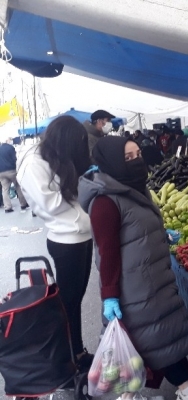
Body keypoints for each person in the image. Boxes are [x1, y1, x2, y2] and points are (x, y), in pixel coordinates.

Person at [78, 137, 188, 400]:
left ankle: (173, 390)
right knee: (145, 340)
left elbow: (135, 228)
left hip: (153, 279)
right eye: (128, 157)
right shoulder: (104, 202)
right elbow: (107, 252)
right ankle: (174, 391)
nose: (136, 161)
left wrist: (160, 234)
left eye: (138, 154)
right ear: (113, 162)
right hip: (134, 287)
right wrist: (109, 295)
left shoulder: (133, 187)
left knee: (159, 338)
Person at [16, 115, 94, 371]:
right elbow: (49, 204)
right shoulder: (33, 163)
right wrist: (78, 190)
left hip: (83, 236)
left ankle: (77, 352)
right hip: (66, 241)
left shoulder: (56, 157)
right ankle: (66, 360)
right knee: (67, 303)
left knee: (75, 300)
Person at [0, 136, 29, 213]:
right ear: (8, 141)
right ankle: (23, 204)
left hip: (1, 172)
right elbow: (15, 159)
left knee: (5, 190)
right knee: (18, 186)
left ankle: (7, 207)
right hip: (11, 170)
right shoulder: (10, 148)